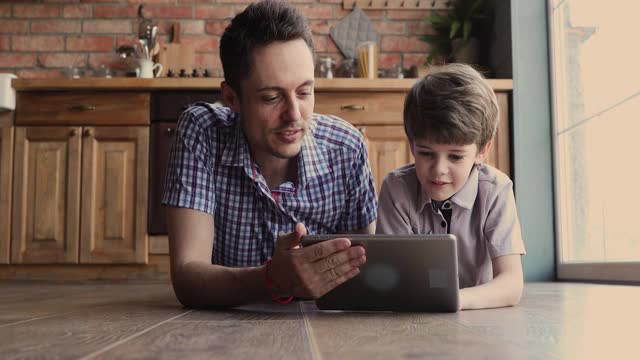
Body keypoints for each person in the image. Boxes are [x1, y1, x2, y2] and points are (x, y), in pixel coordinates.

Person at [161, 0, 376, 309]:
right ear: (231, 98)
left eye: (304, 92)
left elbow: (363, 278)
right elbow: (187, 278)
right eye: (272, 97)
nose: (293, 115)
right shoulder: (202, 132)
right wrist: (272, 279)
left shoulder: (348, 148)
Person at [376, 63, 526, 310]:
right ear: (412, 145)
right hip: (415, 316)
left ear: (483, 150)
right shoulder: (396, 188)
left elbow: (511, 285)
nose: (439, 170)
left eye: (455, 157)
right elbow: (393, 279)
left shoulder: (497, 189)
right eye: (426, 153)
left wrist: (453, 300)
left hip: (480, 317)